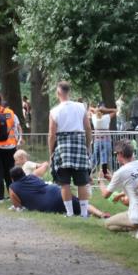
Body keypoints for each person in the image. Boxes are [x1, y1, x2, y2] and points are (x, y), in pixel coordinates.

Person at [48, 81, 91, 217]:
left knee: (64, 183)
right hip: (79, 144)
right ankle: (84, 213)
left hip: (62, 147)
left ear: (58, 93)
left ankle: (70, 213)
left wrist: (51, 152)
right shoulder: (81, 107)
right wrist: (87, 146)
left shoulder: (54, 111)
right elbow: (88, 128)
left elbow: (52, 134)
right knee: (82, 182)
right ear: (69, 91)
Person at [99, 141, 138, 235]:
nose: (116, 157)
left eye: (116, 154)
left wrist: (100, 181)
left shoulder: (121, 172)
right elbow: (134, 186)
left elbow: (105, 195)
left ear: (120, 154)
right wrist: (113, 179)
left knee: (108, 224)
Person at [8, 167, 108, 217]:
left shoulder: (12, 187)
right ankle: (101, 214)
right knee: (81, 204)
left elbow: (18, 207)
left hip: (46, 205)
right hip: (56, 191)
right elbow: (44, 167)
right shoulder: (32, 176)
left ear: (12, 178)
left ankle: (72, 213)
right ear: (24, 173)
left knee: (68, 209)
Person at [90, 102, 116, 177]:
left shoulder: (94, 117)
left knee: (95, 158)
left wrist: (97, 109)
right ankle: (105, 173)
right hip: (106, 140)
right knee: (105, 157)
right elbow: (115, 111)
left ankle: (89, 172)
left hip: (97, 140)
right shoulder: (107, 117)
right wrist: (106, 109)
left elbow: (89, 109)